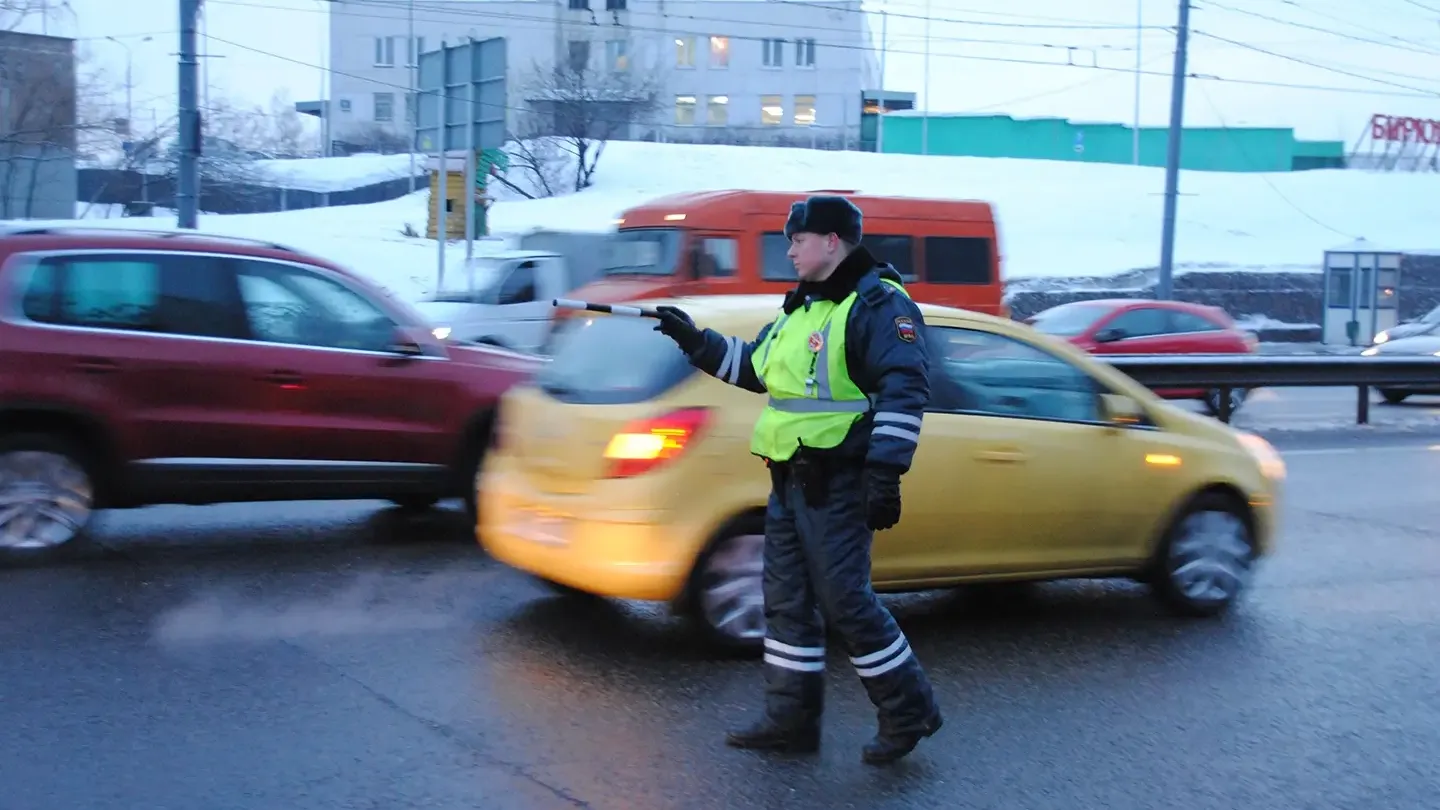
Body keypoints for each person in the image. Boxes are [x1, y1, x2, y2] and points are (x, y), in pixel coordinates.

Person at [651, 195, 943, 765]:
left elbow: (906, 386)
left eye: (798, 241)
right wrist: (696, 342)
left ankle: (910, 710)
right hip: (788, 481)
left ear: (832, 241)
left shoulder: (878, 305)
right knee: (784, 604)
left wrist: (885, 473)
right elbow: (756, 369)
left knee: (846, 604)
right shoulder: (801, 309)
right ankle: (791, 720)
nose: (789, 251)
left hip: (841, 482)